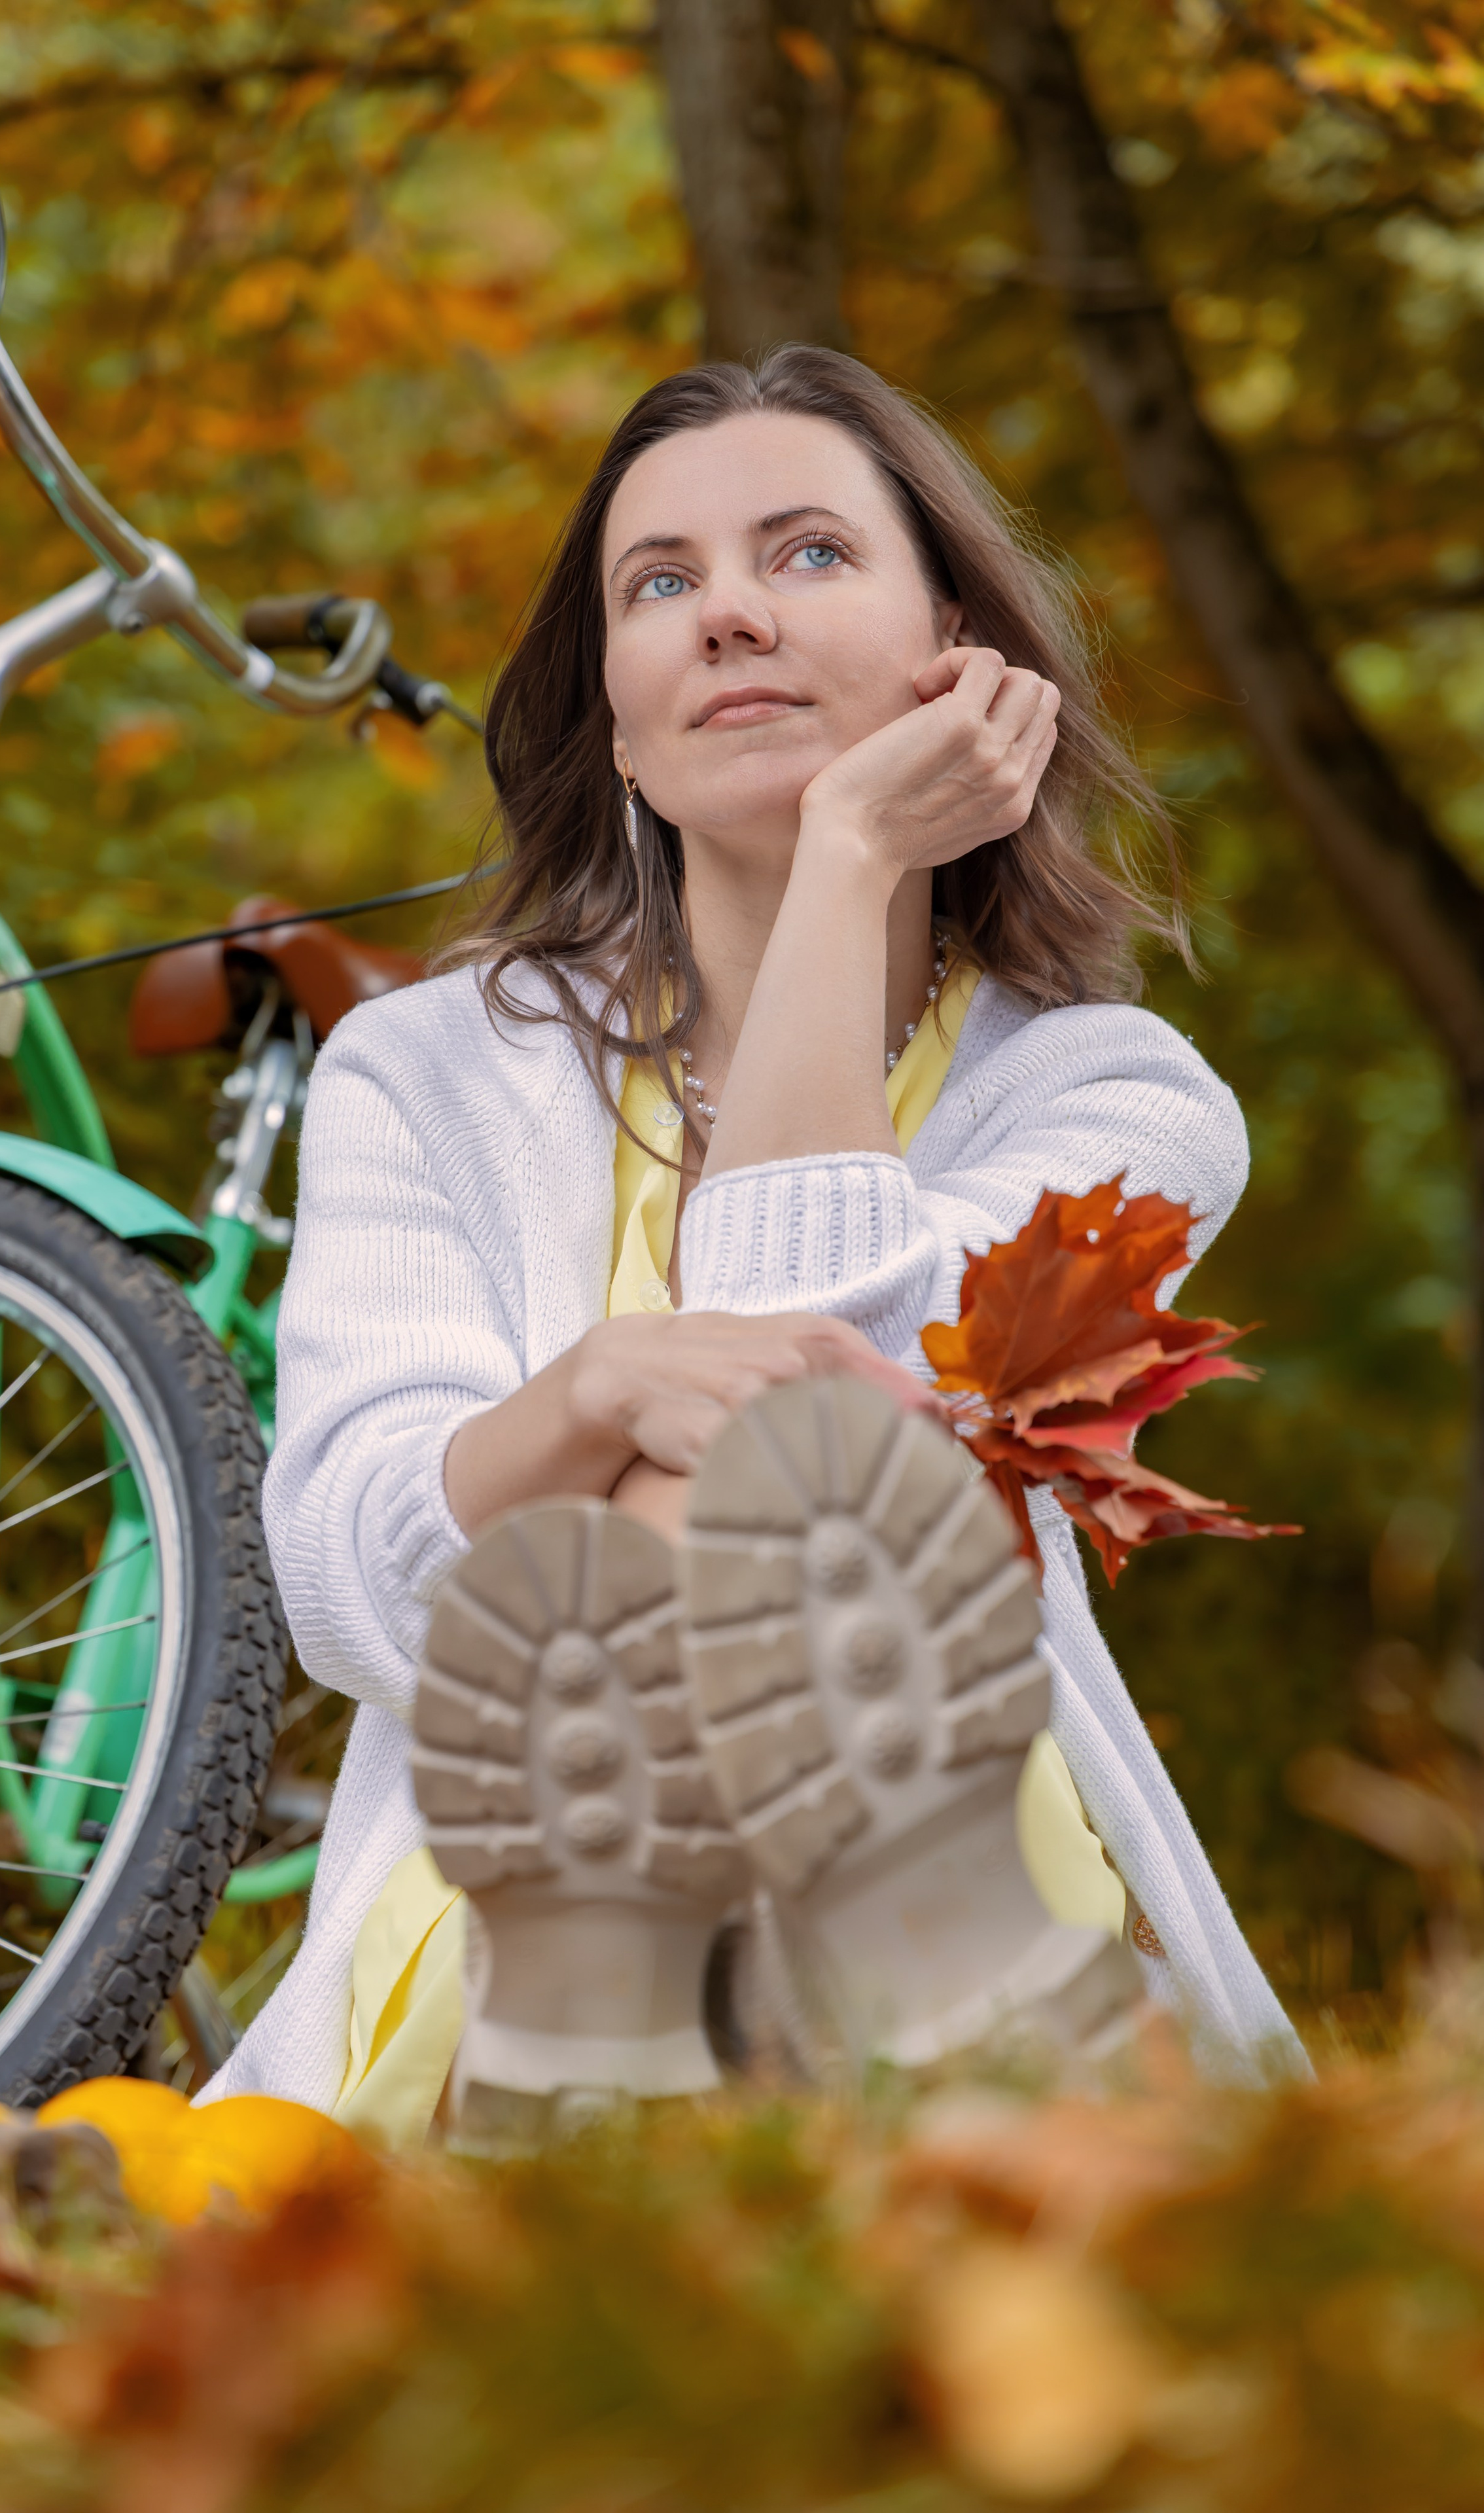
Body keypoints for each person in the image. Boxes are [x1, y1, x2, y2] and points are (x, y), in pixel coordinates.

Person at [200, 346, 1304, 2127]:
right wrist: (598, 1390)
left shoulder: (1121, 1106)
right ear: (620, 724)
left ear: (960, 654)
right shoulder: (422, 1071)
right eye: (663, 584)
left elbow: (835, 1443)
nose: (727, 615)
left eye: (805, 555)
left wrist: (855, 858)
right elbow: (343, 1585)